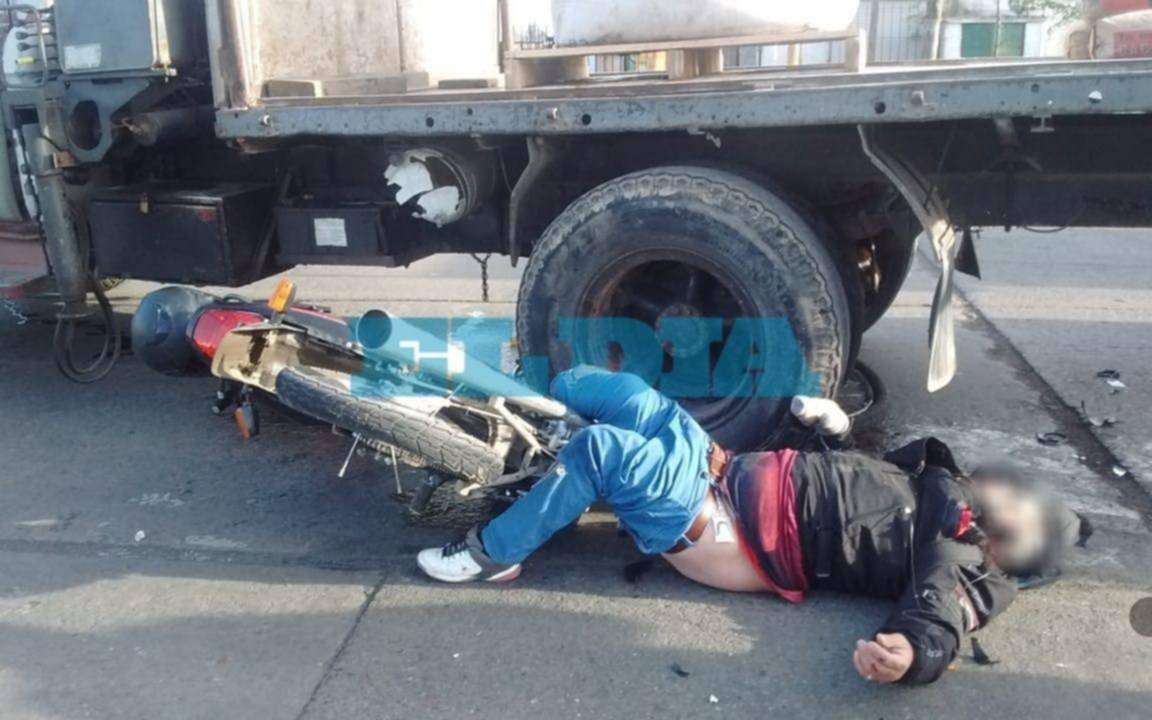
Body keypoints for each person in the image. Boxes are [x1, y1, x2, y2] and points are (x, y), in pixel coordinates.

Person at [417, 366, 1090, 685]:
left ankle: (492, 553)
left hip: (722, 529)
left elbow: (939, 622)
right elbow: (846, 490)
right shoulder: (942, 486)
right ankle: (485, 405)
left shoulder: (959, 559)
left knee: (602, 451)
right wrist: (831, 431)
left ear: (1011, 548)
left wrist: (910, 657)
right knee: (614, 391)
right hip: (720, 466)